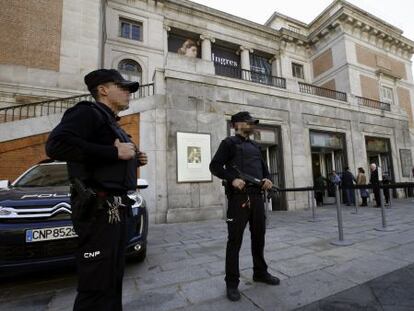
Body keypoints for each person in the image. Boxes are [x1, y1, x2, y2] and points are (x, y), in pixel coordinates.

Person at [45, 69, 148, 311]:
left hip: (117, 209)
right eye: (122, 87)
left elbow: (110, 158)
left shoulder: (113, 123)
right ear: (103, 90)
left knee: (113, 277)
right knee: (96, 284)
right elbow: (56, 145)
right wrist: (114, 152)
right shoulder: (86, 112)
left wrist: (135, 158)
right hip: (97, 211)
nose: (128, 92)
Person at [209, 111, 280, 302]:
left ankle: (260, 272)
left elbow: (266, 171)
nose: (252, 125)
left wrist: (268, 180)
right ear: (236, 124)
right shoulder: (228, 143)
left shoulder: (255, 146)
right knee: (235, 241)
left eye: (252, 122)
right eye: (248, 122)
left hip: (257, 198)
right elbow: (214, 166)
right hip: (238, 198)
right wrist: (232, 179)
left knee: (259, 238)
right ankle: (232, 283)